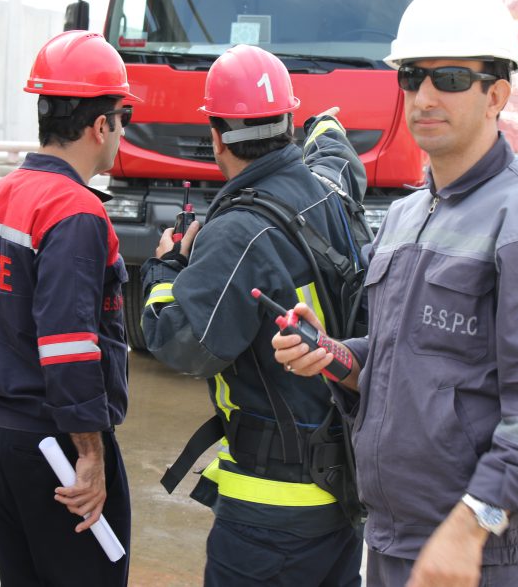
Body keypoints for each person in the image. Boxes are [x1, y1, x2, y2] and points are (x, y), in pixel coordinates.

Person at [273, 0, 518, 587]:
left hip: (478, 555)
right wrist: (335, 356)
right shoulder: (405, 216)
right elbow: (403, 361)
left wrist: (473, 524)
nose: (424, 96)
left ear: (496, 94)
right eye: (411, 76)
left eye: (448, 78)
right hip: (396, 536)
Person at [140, 44, 367, 586]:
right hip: (341, 490)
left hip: (271, 512)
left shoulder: (237, 233)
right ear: (288, 123)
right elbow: (339, 161)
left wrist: (166, 269)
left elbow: (183, 343)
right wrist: (326, 127)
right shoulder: (328, 194)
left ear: (217, 136)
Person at [0, 30, 137, 586]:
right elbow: (68, 344)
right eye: (123, 118)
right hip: (57, 449)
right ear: (101, 125)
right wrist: (90, 453)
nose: (122, 132)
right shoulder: (75, 210)